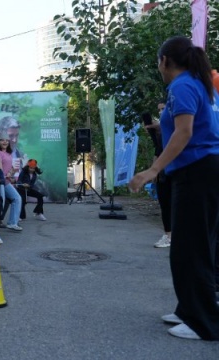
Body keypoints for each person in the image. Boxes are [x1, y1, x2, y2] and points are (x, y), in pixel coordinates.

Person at [129, 36, 219, 341]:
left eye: (158, 62)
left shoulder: (181, 86)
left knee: (191, 250)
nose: (158, 67)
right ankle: (189, 310)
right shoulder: (197, 83)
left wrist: (153, 169)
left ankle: (205, 323)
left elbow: (185, 132)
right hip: (202, 170)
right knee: (193, 246)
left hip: (197, 171)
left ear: (165, 61)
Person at [143, 103, 172, 248]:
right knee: (165, 203)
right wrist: (154, 169)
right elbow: (158, 150)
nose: (160, 112)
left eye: (163, 109)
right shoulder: (159, 131)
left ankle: (175, 235)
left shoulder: (175, 125)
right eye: (159, 109)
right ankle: (168, 235)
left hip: (175, 170)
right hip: (163, 172)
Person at [0, 138, 23, 230]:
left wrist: (13, 172)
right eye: (2, 140)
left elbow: (10, 169)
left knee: (16, 199)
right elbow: (0, 169)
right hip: (1, 182)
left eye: (7, 140)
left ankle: (12, 223)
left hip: (7, 181)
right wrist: (9, 174)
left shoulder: (9, 153)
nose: (5, 142)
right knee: (2, 203)